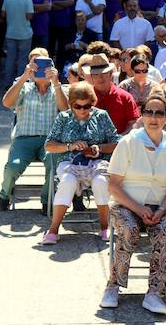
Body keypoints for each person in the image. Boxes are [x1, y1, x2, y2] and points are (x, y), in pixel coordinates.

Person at [100, 93, 166, 314]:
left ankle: (155, 292)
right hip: (127, 204)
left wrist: (162, 210)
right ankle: (113, 286)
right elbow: (114, 185)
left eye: (159, 113)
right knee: (128, 229)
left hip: (160, 206)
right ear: (142, 114)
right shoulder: (129, 142)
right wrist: (139, 208)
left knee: (165, 228)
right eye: (149, 112)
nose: (153, 117)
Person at [42, 82, 120, 243]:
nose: (83, 110)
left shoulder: (101, 116)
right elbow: (49, 145)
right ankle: (53, 230)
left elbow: (116, 142)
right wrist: (70, 146)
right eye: (78, 106)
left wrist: (98, 148)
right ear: (71, 104)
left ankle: (105, 226)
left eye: (88, 106)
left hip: (98, 162)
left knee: (100, 182)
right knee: (67, 182)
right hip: (69, 162)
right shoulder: (63, 117)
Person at [0, 51, 69, 212]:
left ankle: (46, 199)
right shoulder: (24, 87)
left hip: (50, 140)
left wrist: (55, 82)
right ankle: (4, 195)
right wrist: (24, 77)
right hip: (24, 139)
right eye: (35, 65)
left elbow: (66, 110)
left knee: (53, 162)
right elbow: (7, 103)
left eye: (43, 65)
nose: (39, 70)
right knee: (12, 167)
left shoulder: (60, 88)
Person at [85, 54, 141, 134]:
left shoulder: (125, 97)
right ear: (91, 77)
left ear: (111, 74)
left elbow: (134, 122)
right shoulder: (85, 98)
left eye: (104, 74)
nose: (100, 78)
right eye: (96, 75)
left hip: (120, 144)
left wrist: (119, 139)